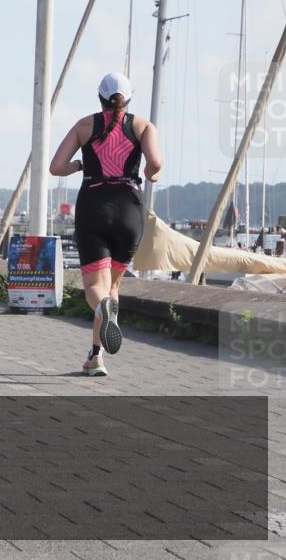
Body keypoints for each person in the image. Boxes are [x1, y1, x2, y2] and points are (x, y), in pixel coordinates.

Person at [50, 72, 162, 377]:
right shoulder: (142, 126)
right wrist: (151, 174)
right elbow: (156, 164)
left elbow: (55, 167)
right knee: (111, 287)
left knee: (94, 289)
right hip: (129, 208)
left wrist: (78, 165)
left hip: (94, 207)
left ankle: (101, 312)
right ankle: (96, 356)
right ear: (128, 99)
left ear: (100, 97)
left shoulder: (85, 125)